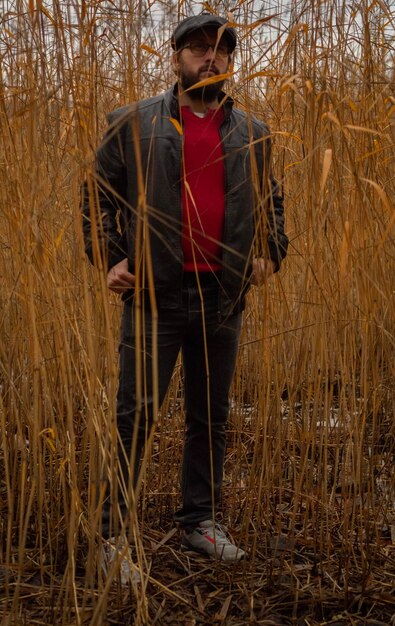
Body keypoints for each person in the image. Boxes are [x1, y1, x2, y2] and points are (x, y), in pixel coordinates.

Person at [82, 13, 288, 580]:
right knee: (136, 415)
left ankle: (200, 520)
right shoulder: (135, 123)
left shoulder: (253, 130)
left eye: (221, 51)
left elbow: (272, 202)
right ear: (176, 56)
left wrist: (271, 252)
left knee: (210, 416)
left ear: (231, 63)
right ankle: (111, 534)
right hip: (154, 297)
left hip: (223, 297)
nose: (210, 59)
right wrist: (111, 257)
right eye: (198, 48)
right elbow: (96, 193)